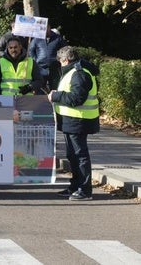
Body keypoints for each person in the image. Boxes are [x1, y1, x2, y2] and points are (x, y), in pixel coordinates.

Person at [48, 46, 99, 201]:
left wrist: (56, 96)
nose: (60, 65)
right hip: (72, 120)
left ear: (65, 59)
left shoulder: (79, 74)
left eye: (60, 62)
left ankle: (84, 190)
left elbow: (77, 99)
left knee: (80, 155)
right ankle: (75, 186)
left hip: (79, 119)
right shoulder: (75, 72)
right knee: (73, 155)